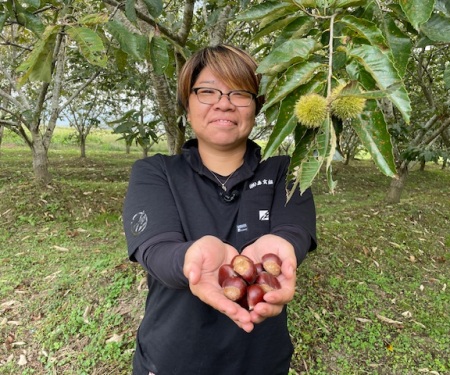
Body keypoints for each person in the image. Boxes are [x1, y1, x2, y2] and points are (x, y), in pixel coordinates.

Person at [122, 44, 317, 375]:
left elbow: (293, 230)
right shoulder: (156, 172)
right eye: (207, 92)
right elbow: (155, 248)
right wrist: (190, 260)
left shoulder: (286, 170)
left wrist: (284, 248)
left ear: (256, 108)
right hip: (171, 362)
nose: (223, 103)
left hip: (261, 362)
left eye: (239, 93)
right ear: (188, 106)